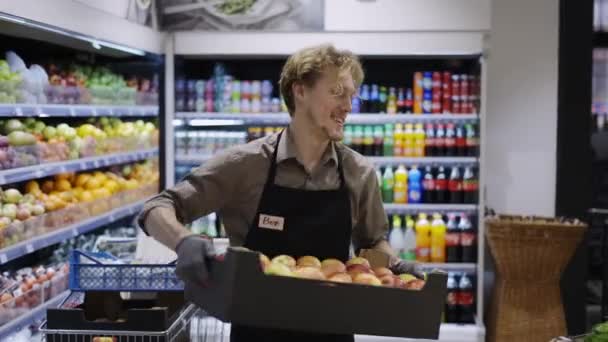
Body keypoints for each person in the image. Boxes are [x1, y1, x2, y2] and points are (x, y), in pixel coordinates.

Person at [137, 43, 422, 342]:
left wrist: (395, 269)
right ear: (300, 91)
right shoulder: (246, 164)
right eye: (338, 92)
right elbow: (158, 206)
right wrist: (183, 242)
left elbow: (370, 244)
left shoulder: (358, 172)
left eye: (352, 95)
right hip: (255, 331)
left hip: (332, 332)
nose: (348, 106)